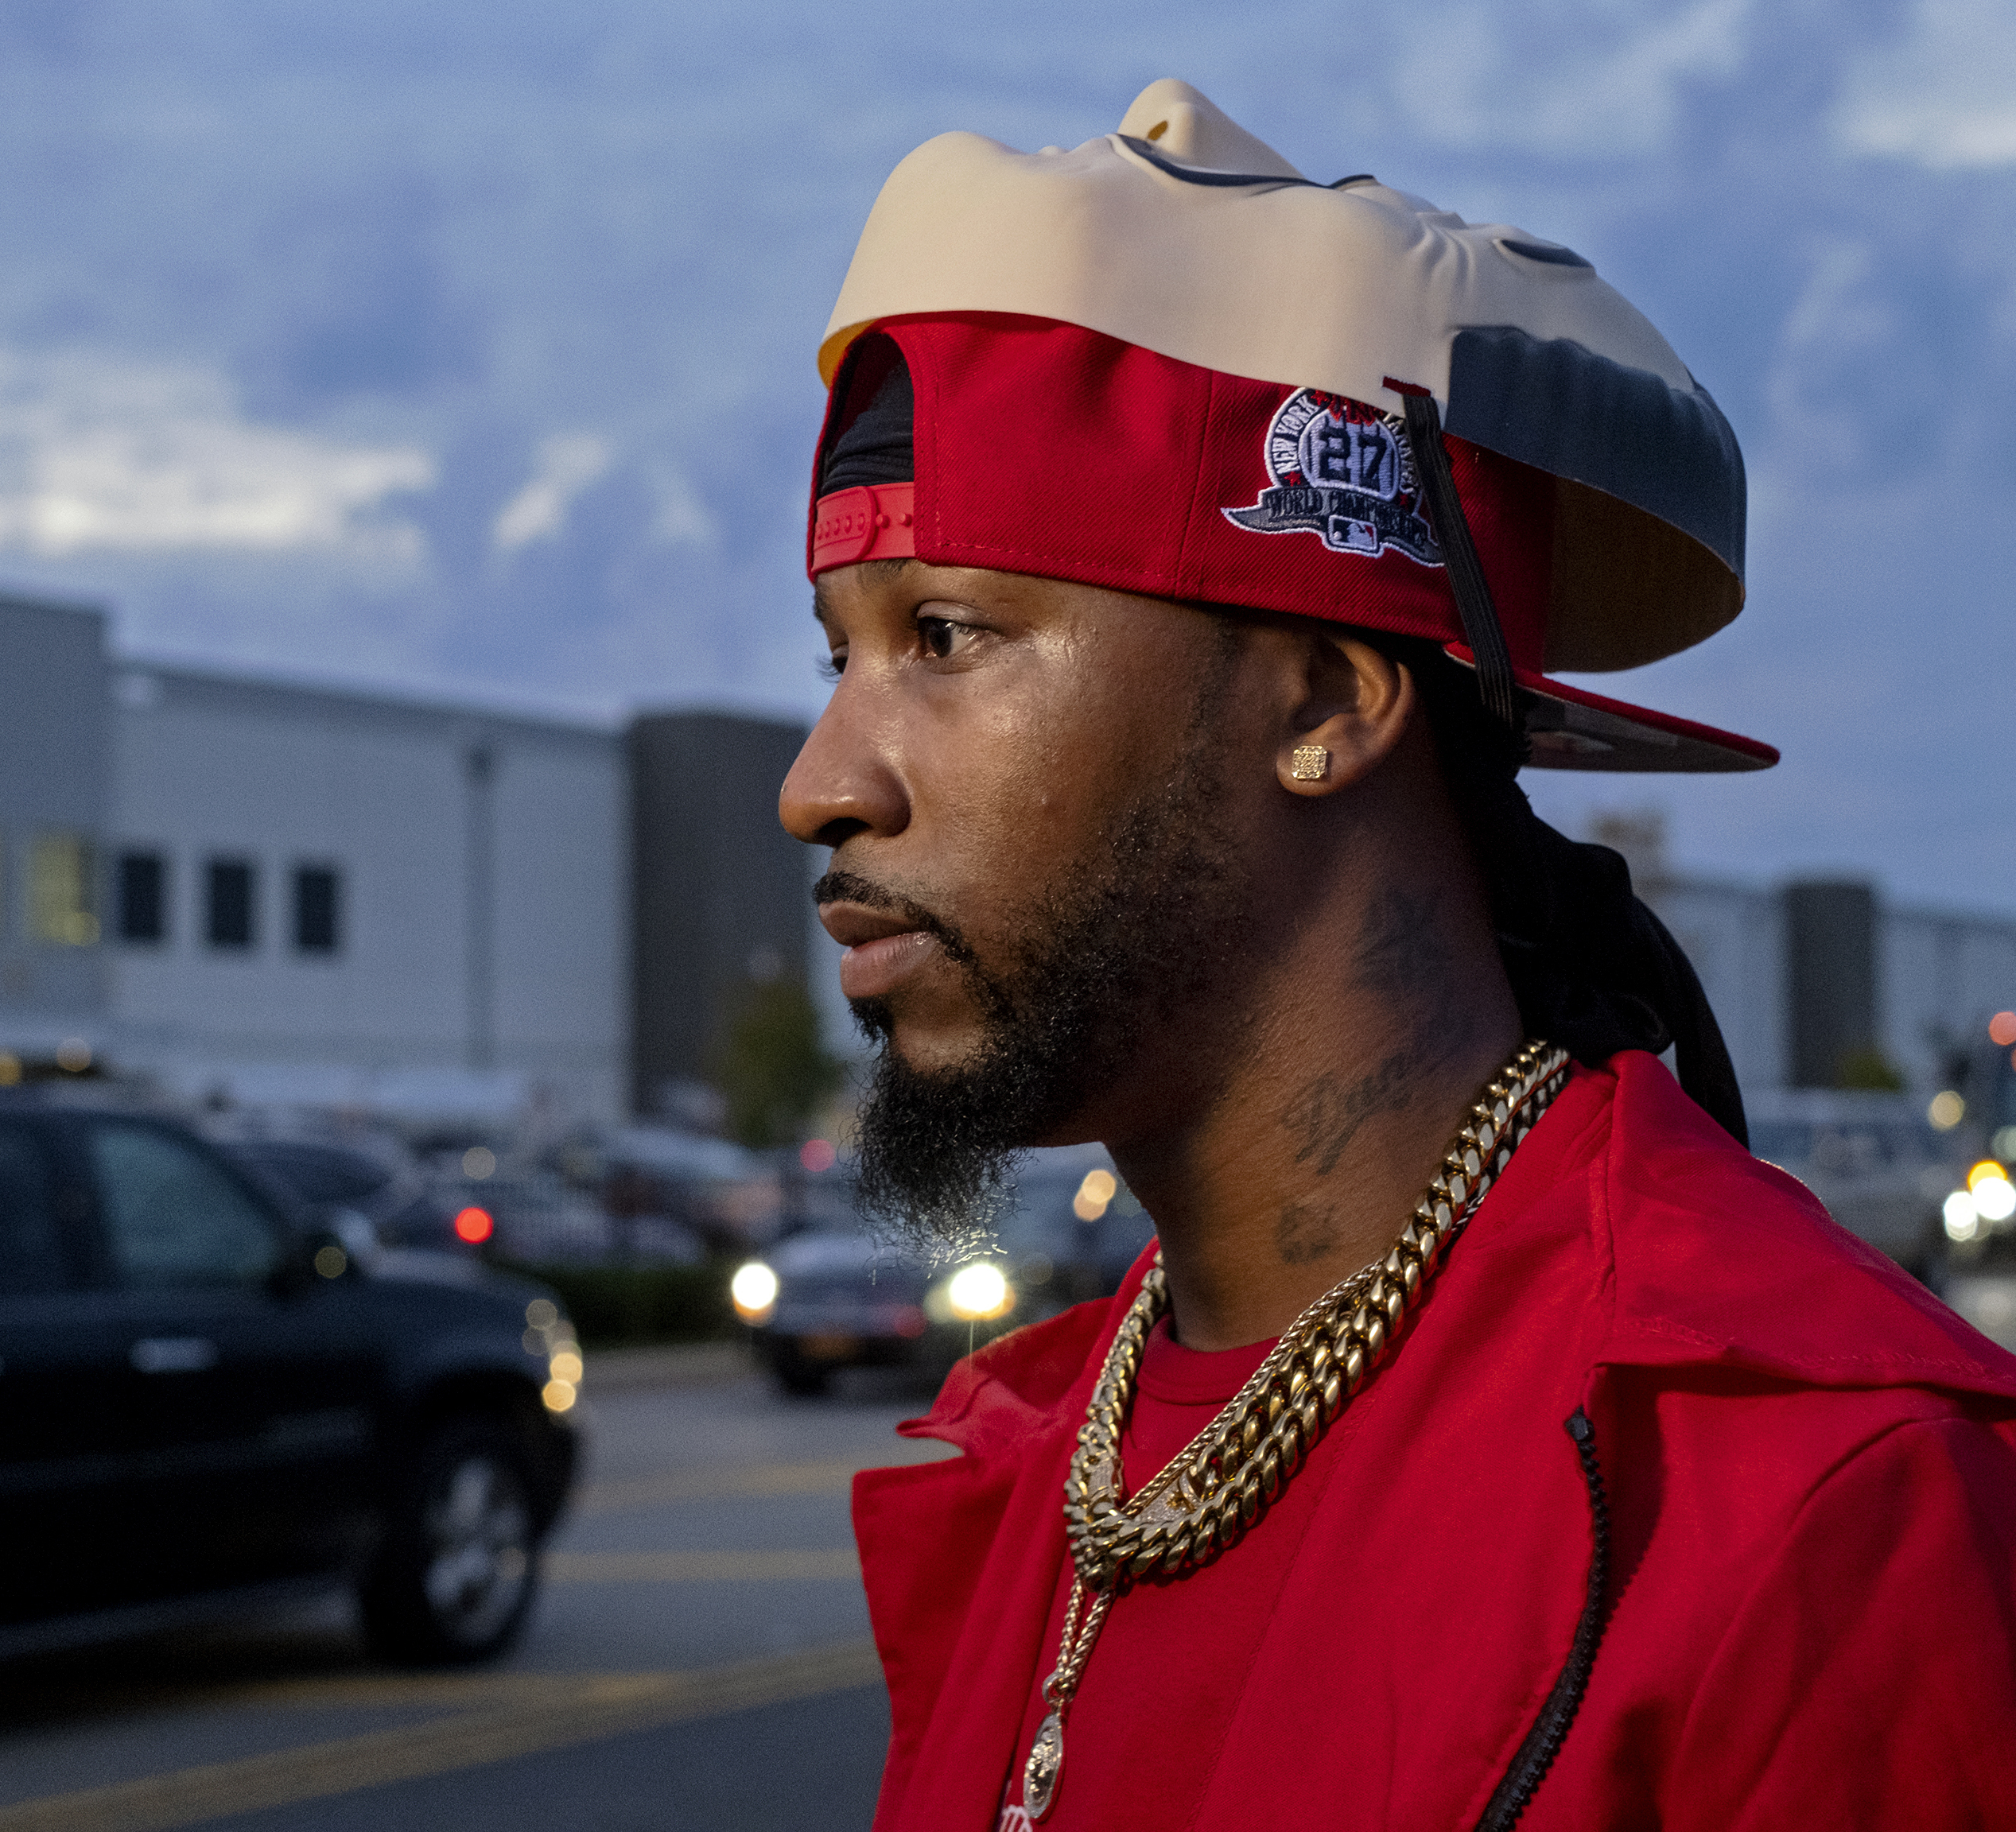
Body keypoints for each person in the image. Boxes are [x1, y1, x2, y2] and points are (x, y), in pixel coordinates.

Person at [780, 79, 2016, 1831]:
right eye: (835, 655)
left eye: (949, 638)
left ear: (1323, 701)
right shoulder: (1045, 1461)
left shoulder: (1817, 1505)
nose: (819, 782)